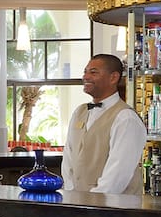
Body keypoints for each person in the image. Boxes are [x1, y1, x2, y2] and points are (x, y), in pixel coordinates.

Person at [62, 54, 148, 195]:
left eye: (93, 72)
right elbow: (68, 158)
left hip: (114, 205)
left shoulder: (126, 118)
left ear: (113, 78)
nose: (86, 77)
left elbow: (119, 172)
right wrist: (72, 195)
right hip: (78, 202)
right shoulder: (79, 112)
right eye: (85, 72)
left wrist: (95, 201)